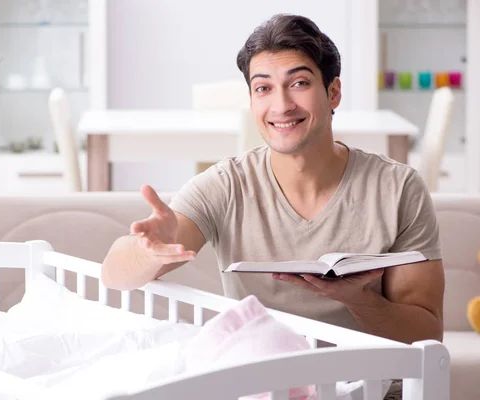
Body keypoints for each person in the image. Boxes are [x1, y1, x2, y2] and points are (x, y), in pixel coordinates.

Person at [101, 14, 444, 347]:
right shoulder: (227, 185)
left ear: (333, 92)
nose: (281, 105)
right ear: (251, 101)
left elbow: (426, 337)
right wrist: (150, 251)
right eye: (263, 88)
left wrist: (359, 300)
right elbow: (113, 275)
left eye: (299, 83)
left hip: (369, 387)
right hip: (263, 384)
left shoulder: (399, 189)